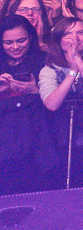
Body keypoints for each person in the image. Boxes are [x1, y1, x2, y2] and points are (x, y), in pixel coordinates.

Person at [0, 13, 57, 193]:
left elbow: (58, 99)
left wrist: (36, 91)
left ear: (30, 38)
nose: (15, 47)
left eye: (21, 40)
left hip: (38, 132)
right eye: (8, 42)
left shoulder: (44, 60)